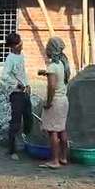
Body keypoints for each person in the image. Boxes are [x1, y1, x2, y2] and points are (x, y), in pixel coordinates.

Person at [39, 37, 71, 169]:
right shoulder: (63, 64)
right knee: (62, 129)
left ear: (50, 49)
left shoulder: (52, 66)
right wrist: (46, 73)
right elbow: (57, 78)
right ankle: (63, 157)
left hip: (55, 102)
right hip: (64, 101)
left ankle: (54, 161)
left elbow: (52, 86)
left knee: (52, 132)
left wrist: (48, 102)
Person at [2, 32, 32, 160]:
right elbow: (4, 76)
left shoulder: (21, 56)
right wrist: (17, 85)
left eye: (21, 42)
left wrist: (28, 84)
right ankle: (12, 150)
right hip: (16, 94)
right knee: (16, 122)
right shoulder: (10, 59)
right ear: (13, 46)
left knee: (29, 118)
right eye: (19, 43)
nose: (21, 45)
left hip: (25, 92)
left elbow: (22, 73)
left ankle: (27, 143)